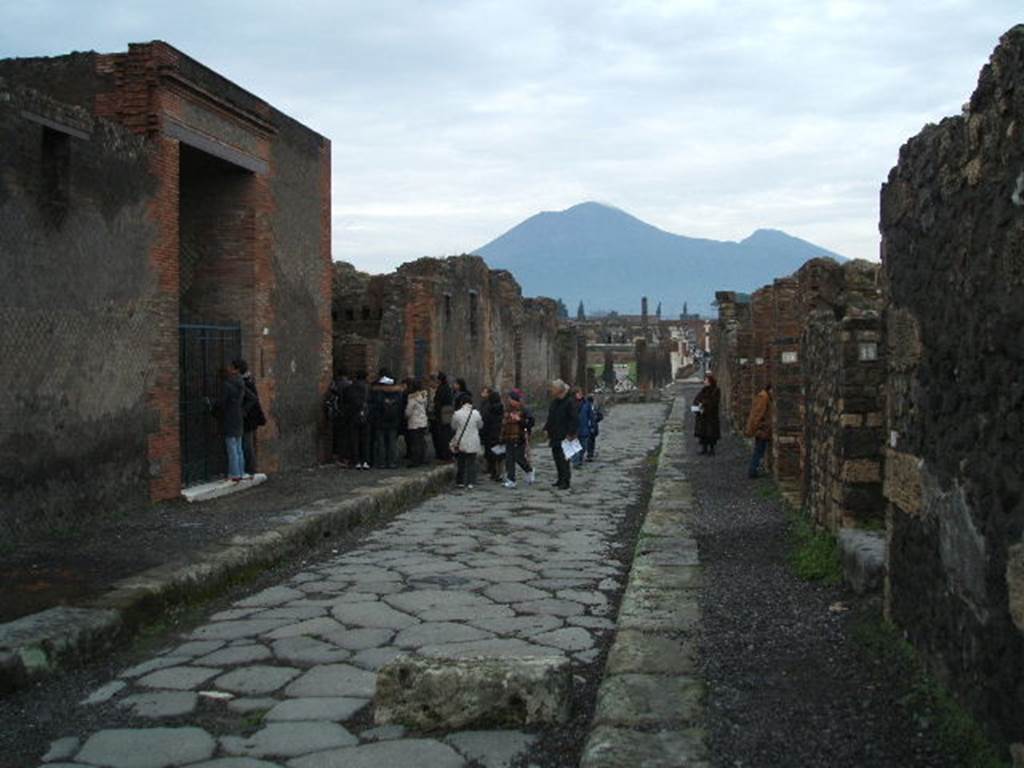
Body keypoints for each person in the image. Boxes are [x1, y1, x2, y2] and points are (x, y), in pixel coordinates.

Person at [544, 379, 578, 490]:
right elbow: (551, 417)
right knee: (557, 458)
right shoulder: (555, 402)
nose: (551, 391)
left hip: (565, 435)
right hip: (555, 435)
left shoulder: (569, 402)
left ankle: (565, 481)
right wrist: (546, 428)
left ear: (559, 390)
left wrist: (571, 433)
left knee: (564, 459)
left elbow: (574, 419)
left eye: (553, 388)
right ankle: (560, 479)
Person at [236, 359, 266, 475]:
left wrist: (243, 411)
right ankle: (250, 468)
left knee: (247, 444)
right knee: (247, 443)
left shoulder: (245, 383)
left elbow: (252, 399)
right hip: (251, 417)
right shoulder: (248, 380)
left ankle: (250, 469)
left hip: (249, 418)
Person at [220, 360, 247, 482]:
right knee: (239, 448)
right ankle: (240, 472)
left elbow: (222, 403)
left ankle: (234, 474)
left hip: (230, 418)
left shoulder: (227, 384)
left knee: (232, 448)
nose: (229, 369)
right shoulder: (241, 382)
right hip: (238, 417)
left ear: (235, 369)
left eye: (231, 367)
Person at [501, 390, 535, 488]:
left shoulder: (524, 410)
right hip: (508, 436)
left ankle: (529, 470)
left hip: (520, 436)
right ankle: (511, 479)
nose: (509, 401)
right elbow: (503, 423)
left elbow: (531, 423)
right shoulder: (507, 409)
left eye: (511, 399)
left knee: (518, 457)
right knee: (509, 459)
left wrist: (520, 420)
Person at [370, 370, 404, 469]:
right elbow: (400, 408)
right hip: (393, 421)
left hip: (380, 421)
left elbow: (374, 406)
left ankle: (382, 462)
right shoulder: (398, 394)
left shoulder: (377, 393)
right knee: (392, 442)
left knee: (381, 443)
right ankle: (392, 462)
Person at [450, 392, 483, 489]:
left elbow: (453, 426)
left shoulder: (457, 413)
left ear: (461, 403)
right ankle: (470, 482)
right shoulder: (476, 413)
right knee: (471, 462)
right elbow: (480, 425)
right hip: (473, 440)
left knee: (461, 462)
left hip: (461, 440)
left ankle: (460, 482)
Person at [342, 370, 371, 469]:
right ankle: (365, 461)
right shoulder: (368, 389)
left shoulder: (349, 388)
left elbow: (345, 402)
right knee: (365, 440)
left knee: (354, 439)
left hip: (353, 416)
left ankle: (356, 461)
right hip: (366, 416)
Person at [745, 383, 773, 478]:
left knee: (759, 450)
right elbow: (757, 415)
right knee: (759, 450)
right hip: (762, 429)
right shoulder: (763, 397)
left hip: (762, 428)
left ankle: (753, 469)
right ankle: (752, 470)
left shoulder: (764, 396)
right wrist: (756, 428)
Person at [326, 369, 351, 466]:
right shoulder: (349, 385)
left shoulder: (334, 385)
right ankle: (344, 456)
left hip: (336, 413)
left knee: (337, 435)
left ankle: (337, 455)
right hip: (346, 414)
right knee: (345, 436)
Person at [480, 386, 505, 482]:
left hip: (489, 434)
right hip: (498, 434)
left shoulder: (489, 409)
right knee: (499, 455)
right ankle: (499, 473)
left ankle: (494, 472)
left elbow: (485, 421)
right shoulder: (500, 408)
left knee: (491, 454)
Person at [694, 374, 722, 456]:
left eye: (706, 380)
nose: (704, 381)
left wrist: (703, 405)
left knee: (711, 433)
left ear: (710, 381)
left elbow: (714, 402)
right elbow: (697, 399)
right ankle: (704, 448)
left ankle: (712, 450)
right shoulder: (703, 390)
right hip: (702, 416)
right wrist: (698, 406)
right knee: (703, 433)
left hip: (711, 416)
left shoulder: (716, 390)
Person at [405, 378, 429, 468]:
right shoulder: (423, 396)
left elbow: (408, 411)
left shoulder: (412, 398)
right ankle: (422, 458)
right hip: (423, 421)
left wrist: (406, 416)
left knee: (415, 443)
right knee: (421, 441)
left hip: (414, 422)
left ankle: (415, 460)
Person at [432, 372, 455, 462]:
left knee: (444, 436)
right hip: (447, 413)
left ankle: (446, 454)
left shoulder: (441, 389)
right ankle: (447, 454)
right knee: (447, 435)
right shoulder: (447, 388)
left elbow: (438, 402)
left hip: (442, 414)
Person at [571, 388, 592, 469]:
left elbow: (590, 416)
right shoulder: (571, 403)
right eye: (577, 393)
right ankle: (575, 462)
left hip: (584, 428)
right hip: (574, 429)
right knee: (575, 447)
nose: (579, 394)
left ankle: (579, 459)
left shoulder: (586, 404)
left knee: (583, 446)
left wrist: (592, 425)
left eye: (580, 393)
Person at [585, 394, 602, 461]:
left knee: (591, 440)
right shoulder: (586, 407)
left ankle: (590, 453)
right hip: (588, 427)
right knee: (589, 440)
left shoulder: (595, 407)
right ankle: (590, 454)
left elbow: (600, 416)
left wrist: (595, 420)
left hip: (593, 427)